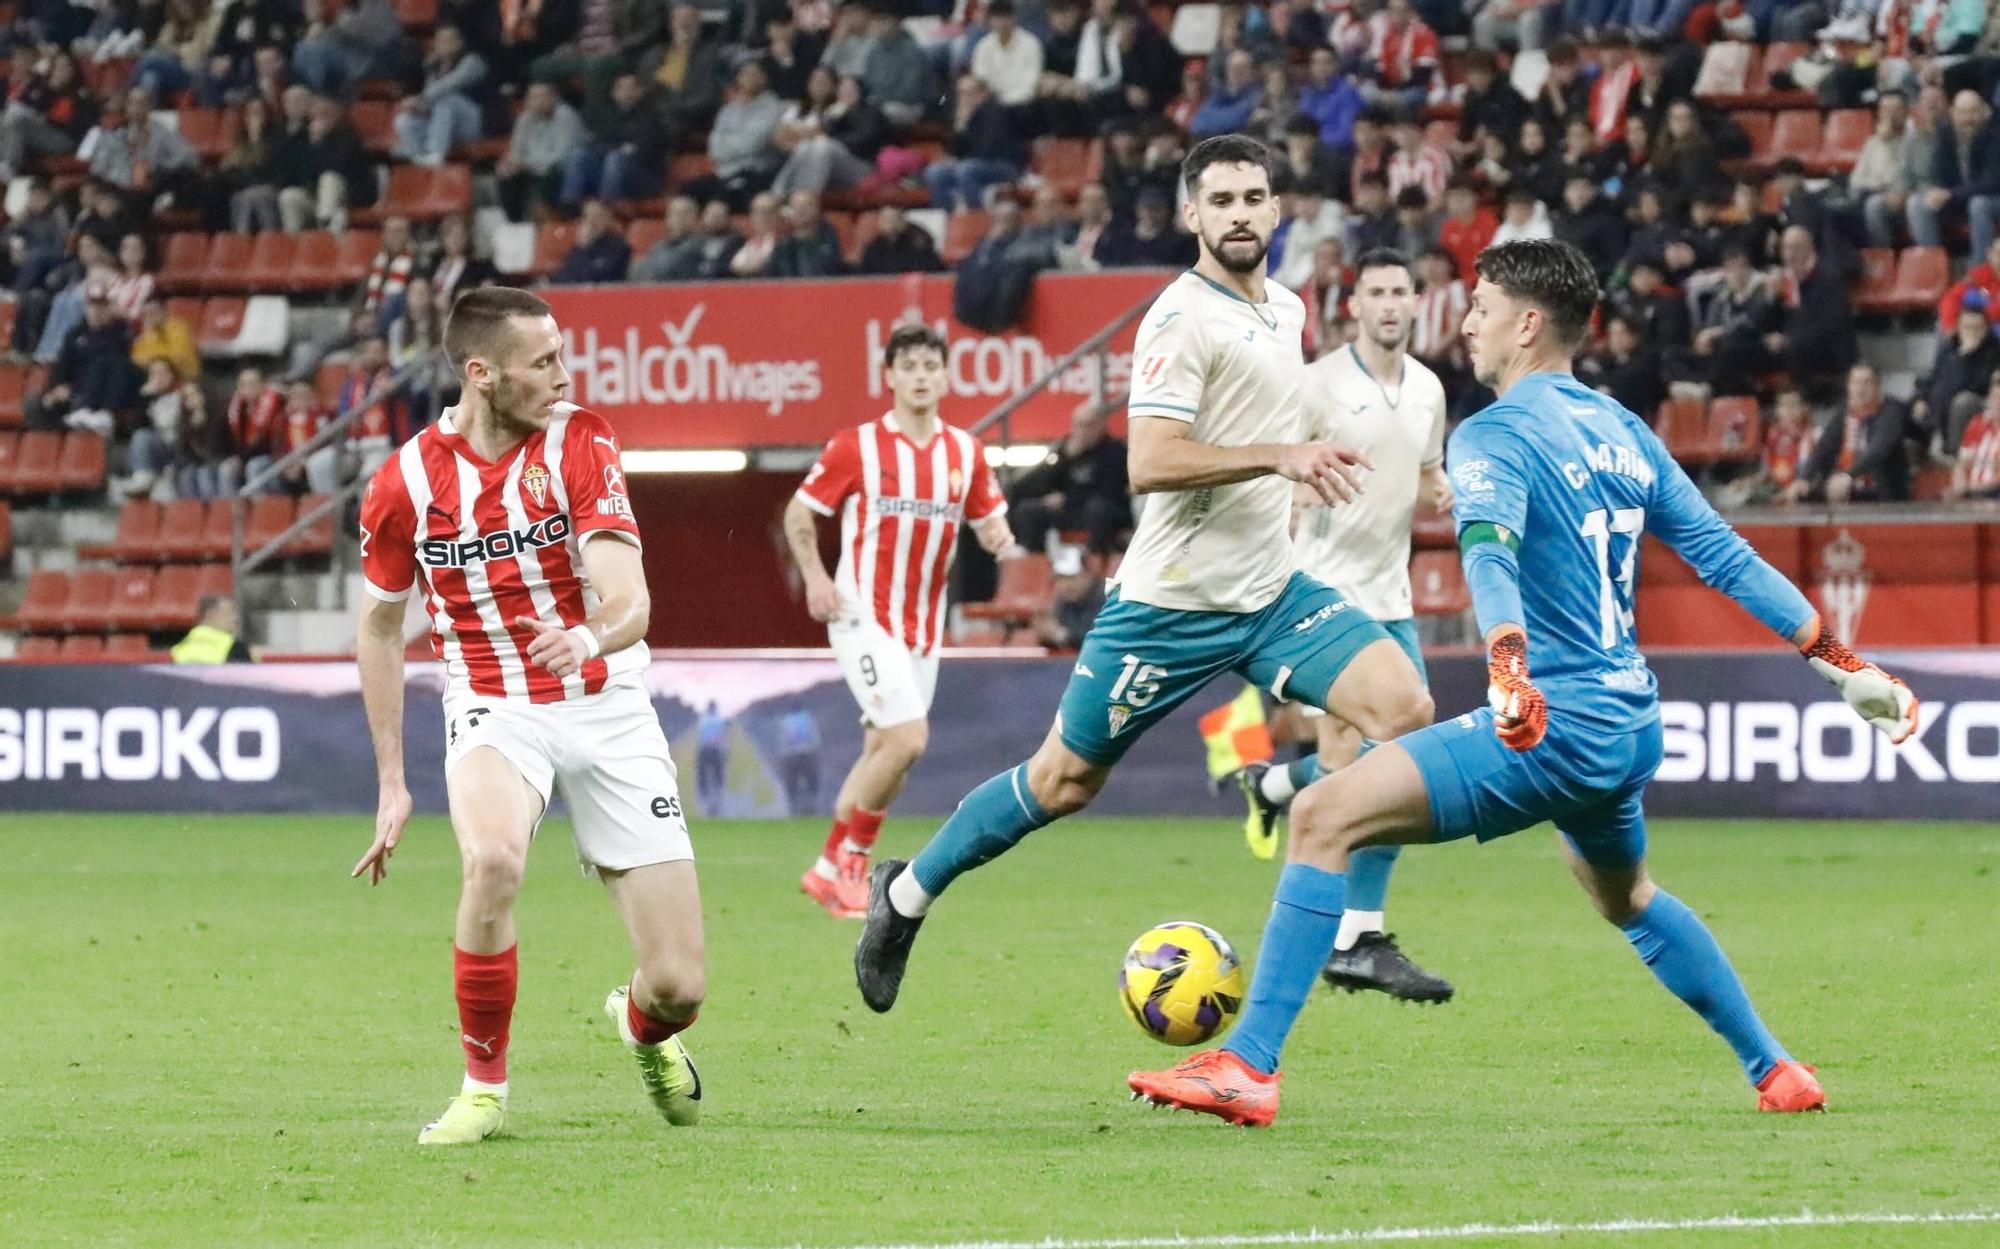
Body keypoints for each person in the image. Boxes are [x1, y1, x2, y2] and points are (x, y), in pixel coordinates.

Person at [1126, 237, 1920, 1127]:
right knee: (1628, 896)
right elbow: (1726, 557)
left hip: (1552, 721)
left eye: (1480, 306)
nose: (1466, 321)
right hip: (1628, 723)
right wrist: (1840, 661)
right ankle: (1775, 1068)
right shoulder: (1622, 428)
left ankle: (1248, 1065)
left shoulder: (1493, 433)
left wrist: (1506, 665)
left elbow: (1488, 553)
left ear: (1527, 323)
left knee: (1320, 815)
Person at [852, 135, 1431, 1014]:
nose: (1240, 213)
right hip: (1169, 605)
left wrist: (1307, 471)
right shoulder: (1178, 317)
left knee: (1405, 709)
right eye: (1221, 200)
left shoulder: (1285, 309)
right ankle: (904, 892)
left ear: (1277, 211)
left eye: (1254, 197)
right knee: (1062, 783)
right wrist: (1281, 456)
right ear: (1192, 215)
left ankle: (1326, 885)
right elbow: (1149, 462)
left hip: (1273, 593)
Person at [351, 286, 706, 1145]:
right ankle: (483, 1088)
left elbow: (632, 600)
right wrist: (393, 781)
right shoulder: (403, 483)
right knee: (494, 859)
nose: (563, 372)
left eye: (561, 354)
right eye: (542, 360)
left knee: (679, 988)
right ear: (482, 372)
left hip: (605, 701)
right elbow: (381, 626)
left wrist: (586, 636)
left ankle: (638, 1025)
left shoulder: (581, 441)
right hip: (491, 701)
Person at [1231, 247, 1455, 1002]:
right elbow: (1277, 465)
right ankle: (1357, 931)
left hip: (1391, 595)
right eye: (1377, 292)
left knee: (1381, 764)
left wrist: (1447, 492)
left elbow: (1425, 473)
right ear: (1353, 305)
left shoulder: (1428, 389)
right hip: (1326, 593)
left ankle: (1274, 785)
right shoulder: (1319, 384)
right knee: (1377, 765)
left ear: (1417, 303)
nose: (1390, 304)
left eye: (1401, 291)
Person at [784, 324, 1016, 918]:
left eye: (929, 365)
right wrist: (815, 577)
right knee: (909, 738)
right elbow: (799, 514)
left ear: (944, 376)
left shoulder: (964, 452)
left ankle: (827, 868)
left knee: (889, 750)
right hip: (862, 613)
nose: (919, 376)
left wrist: (997, 536)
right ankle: (855, 867)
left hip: (921, 626)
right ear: (888, 377)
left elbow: (988, 517)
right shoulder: (855, 446)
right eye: (907, 365)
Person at [1005, 399, 1129, 555]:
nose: (1082, 431)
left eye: (1088, 425)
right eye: (1078, 425)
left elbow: (1110, 491)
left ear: (1101, 425)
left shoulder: (1115, 452)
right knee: (1028, 509)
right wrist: (1064, 457)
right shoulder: (1065, 450)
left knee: (1098, 509)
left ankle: (1095, 561)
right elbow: (1037, 484)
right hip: (1069, 510)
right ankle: (1033, 558)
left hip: (1100, 510)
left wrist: (1069, 498)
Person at [171, 594, 253, 664]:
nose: (236, 618)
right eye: (229, 613)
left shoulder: (178, 648)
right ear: (210, 615)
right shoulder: (234, 647)